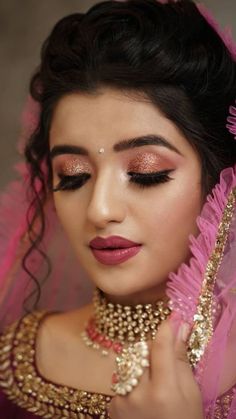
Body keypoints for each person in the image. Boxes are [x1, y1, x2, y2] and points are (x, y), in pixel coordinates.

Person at [0, 0, 236, 418]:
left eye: (146, 173)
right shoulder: (17, 363)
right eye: (72, 176)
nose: (100, 209)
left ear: (222, 184)